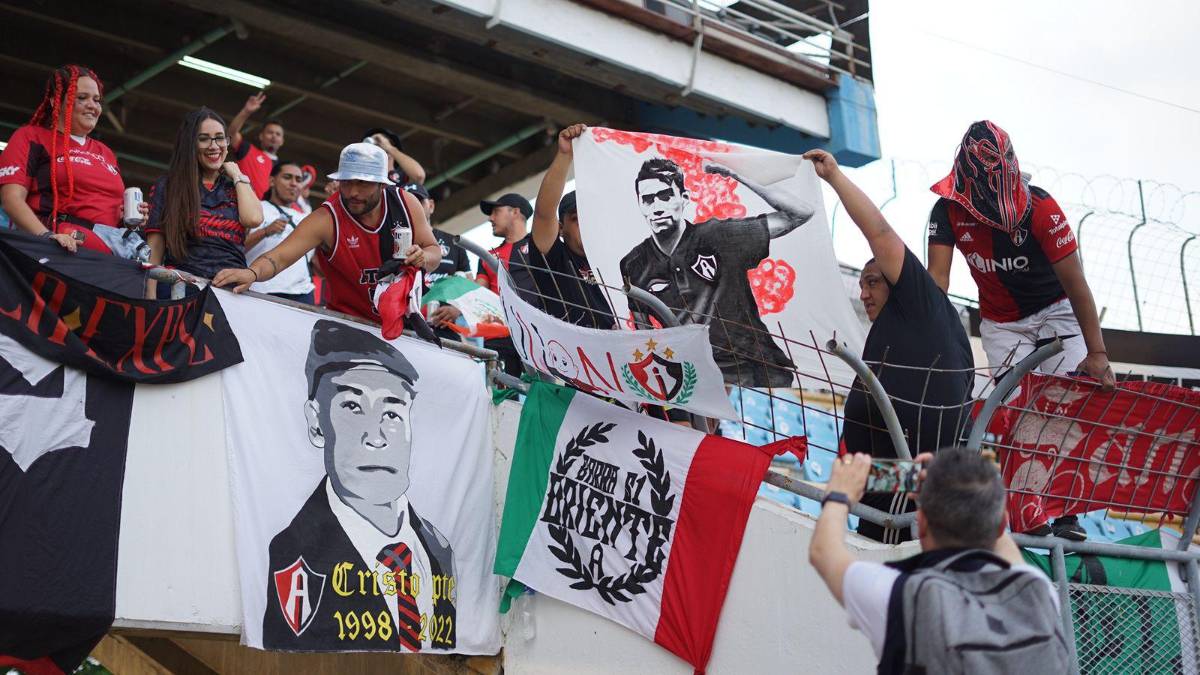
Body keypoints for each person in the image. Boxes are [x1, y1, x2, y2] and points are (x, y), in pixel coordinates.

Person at [927, 121, 1112, 540]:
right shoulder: (946, 210)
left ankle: (1066, 514)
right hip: (1000, 322)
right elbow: (937, 282)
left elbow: (1077, 284)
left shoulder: (1042, 207)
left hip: (1057, 312)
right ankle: (1026, 508)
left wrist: (1096, 353)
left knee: (1064, 406)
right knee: (1017, 412)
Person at [806, 149, 974, 544]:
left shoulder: (921, 301)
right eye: (861, 284)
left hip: (923, 492)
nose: (864, 293)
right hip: (882, 491)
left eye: (873, 282)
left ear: (898, 282)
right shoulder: (890, 334)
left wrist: (833, 177)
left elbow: (879, 232)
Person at [264, 320, 455, 651]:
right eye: (352, 407)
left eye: (392, 413)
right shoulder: (291, 557)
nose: (377, 436)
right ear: (316, 422)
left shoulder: (439, 550)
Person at [809, 449, 1068, 674]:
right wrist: (959, 484)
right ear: (1001, 522)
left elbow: (823, 551)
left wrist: (838, 496)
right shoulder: (1037, 590)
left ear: (920, 525)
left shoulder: (900, 596)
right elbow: (1002, 537)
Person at [619, 156, 814, 388]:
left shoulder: (721, 236)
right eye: (648, 200)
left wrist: (737, 175)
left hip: (756, 374)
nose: (657, 207)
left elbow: (800, 213)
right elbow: (644, 335)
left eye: (665, 196)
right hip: (692, 378)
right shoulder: (633, 264)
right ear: (639, 205)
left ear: (684, 199)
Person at [212, 143, 440, 322]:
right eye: (346, 182)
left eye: (362, 183)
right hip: (350, 323)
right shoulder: (327, 218)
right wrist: (252, 273)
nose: (353, 192)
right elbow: (280, 257)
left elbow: (434, 252)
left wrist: (423, 257)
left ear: (382, 184)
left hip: (404, 321)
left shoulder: (406, 203)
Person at [0, 64, 148, 255]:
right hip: (62, 245)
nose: (92, 106)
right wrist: (45, 237)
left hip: (112, 248)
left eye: (97, 100)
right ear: (56, 102)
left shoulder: (105, 152)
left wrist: (130, 219)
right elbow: (11, 199)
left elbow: (105, 209)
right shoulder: (31, 137)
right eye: (81, 98)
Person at [145, 108, 263, 281]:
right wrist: (151, 299)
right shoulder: (170, 184)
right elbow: (155, 247)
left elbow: (253, 219)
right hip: (181, 287)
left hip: (232, 293)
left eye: (220, 138)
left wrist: (238, 176)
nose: (214, 146)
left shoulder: (237, 185)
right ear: (190, 143)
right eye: (204, 139)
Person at [521, 123, 616, 330]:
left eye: (593, 218)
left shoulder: (621, 262)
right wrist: (565, 155)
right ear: (560, 228)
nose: (588, 225)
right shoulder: (556, 259)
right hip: (574, 358)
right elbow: (544, 214)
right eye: (577, 219)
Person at [402, 182, 472, 341]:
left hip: (444, 332)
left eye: (419, 201)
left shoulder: (453, 243)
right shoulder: (394, 241)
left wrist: (457, 309)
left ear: (431, 205)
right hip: (404, 331)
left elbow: (470, 287)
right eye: (408, 202)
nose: (414, 206)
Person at [473, 192, 532, 376]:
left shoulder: (539, 248)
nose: (491, 218)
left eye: (496, 211)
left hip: (533, 334)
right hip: (497, 337)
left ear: (515, 212)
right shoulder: (488, 255)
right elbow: (477, 292)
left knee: (541, 396)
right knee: (501, 399)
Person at [244, 161, 316, 304]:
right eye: (287, 177)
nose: (294, 183)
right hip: (260, 290)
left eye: (298, 179)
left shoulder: (308, 218)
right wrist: (265, 232)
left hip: (302, 294)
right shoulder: (255, 208)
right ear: (272, 181)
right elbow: (236, 249)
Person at [227, 92, 284, 199]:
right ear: (261, 136)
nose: (274, 136)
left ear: (282, 141)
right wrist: (246, 112)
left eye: (278, 134)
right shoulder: (248, 150)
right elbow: (231, 134)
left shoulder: (285, 168)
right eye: (270, 132)